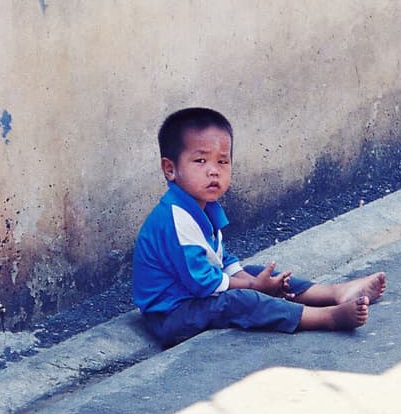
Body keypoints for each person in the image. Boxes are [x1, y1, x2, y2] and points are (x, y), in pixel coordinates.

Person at [132, 106, 386, 348]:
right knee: (240, 300)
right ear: (170, 169)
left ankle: (335, 292)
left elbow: (220, 260)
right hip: (171, 316)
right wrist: (254, 287)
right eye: (200, 161)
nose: (213, 172)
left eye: (222, 162)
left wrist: (255, 280)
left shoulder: (201, 206)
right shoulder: (175, 217)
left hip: (192, 296)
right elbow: (203, 283)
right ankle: (327, 318)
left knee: (256, 272)